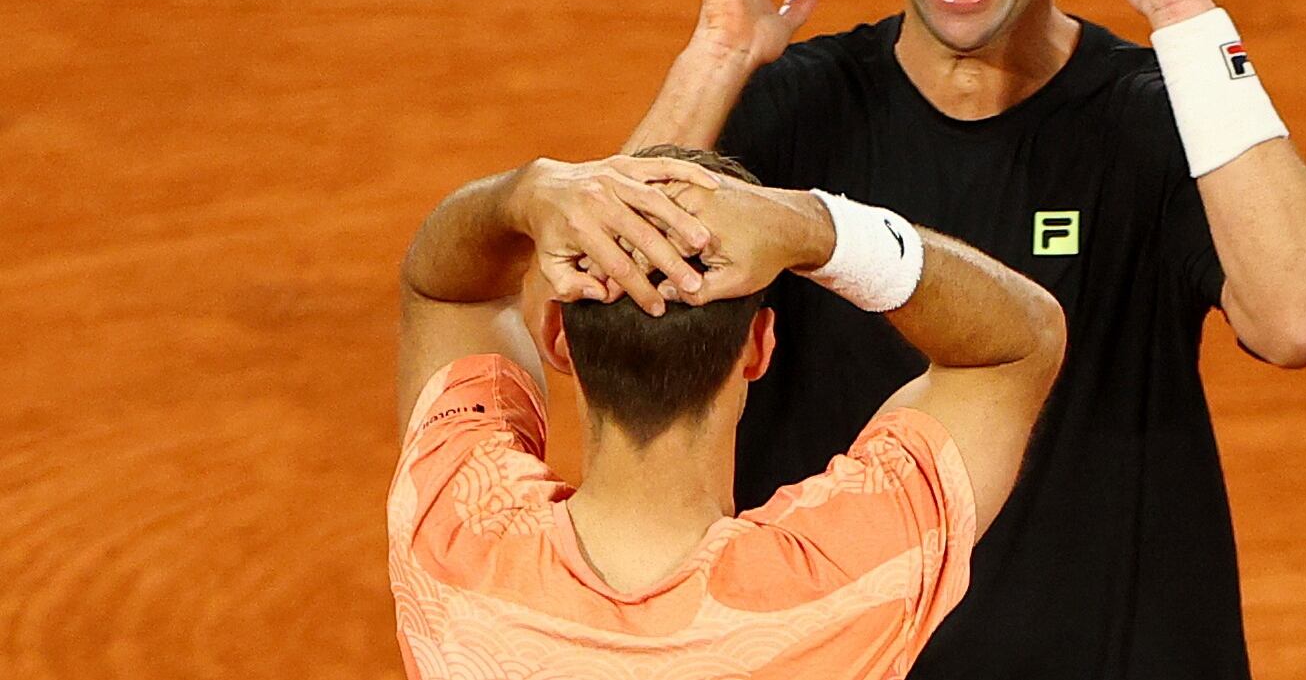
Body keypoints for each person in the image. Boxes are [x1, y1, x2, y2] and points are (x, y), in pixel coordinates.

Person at [622, 0, 1306, 679]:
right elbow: (601, 317)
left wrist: (1191, 25)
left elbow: (1305, 317)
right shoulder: (789, 117)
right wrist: (714, 60)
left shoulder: (1154, 120)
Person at [388, 146, 1066, 678]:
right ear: (757, 345)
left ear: (559, 337)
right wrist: (816, 227)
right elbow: (1017, 343)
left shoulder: (454, 540)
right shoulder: (840, 582)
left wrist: (521, 194)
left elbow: (448, 291)